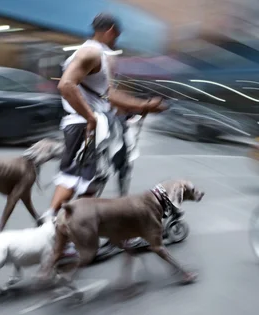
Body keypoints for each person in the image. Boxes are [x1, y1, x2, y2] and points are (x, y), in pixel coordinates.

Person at [40, 13, 166, 260]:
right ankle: (70, 237)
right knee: (89, 184)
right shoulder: (92, 54)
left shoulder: (96, 56)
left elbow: (107, 95)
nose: (117, 40)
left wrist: (143, 106)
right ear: (110, 30)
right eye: (117, 35)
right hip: (85, 126)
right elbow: (66, 85)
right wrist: (91, 117)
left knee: (70, 178)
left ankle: (50, 228)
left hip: (79, 126)